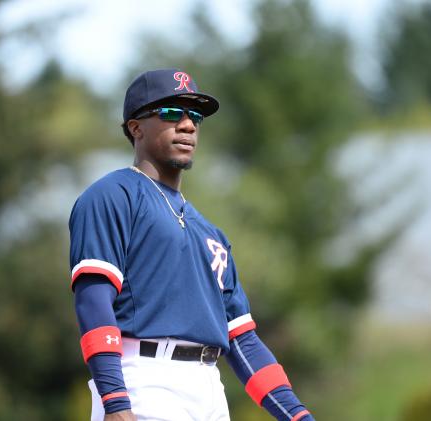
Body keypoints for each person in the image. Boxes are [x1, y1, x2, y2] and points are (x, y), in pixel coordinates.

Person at [69, 68, 316, 421]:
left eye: (195, 116)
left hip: (209, 388)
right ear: (135, 127)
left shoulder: (211, 234)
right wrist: (115, 400)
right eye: (172, 113)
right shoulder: (112, 196)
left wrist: (296, 414)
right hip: (144, 379)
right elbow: (94, 301)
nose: (188, 125)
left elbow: (243, 341)